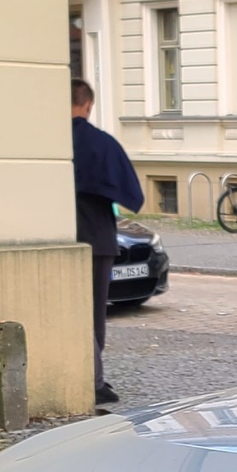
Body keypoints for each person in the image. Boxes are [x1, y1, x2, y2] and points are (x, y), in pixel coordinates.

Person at [71, 79, 143, 406]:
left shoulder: (46, 145)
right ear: (88, 105)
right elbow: (132, 196)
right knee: (94, 309)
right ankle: (94, 380)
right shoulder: (102, 144)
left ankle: (82, 374)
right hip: (97, 237)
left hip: (58, 237)